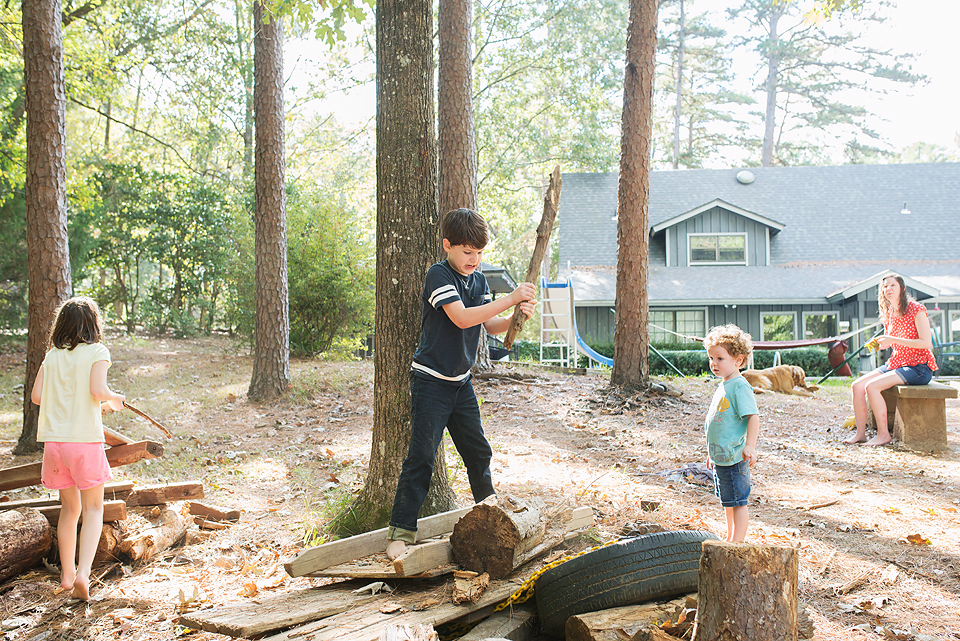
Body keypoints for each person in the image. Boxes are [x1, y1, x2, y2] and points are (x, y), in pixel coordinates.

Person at [385, 208, 537, 560]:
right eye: (467, 251)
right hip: (431, 381)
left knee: (478, 452)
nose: (474, 259)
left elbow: (487, 325)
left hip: (461, 383)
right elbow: (462, 317)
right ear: (447, 246)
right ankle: (401, 532)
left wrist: (516, 316)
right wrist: (511, 298)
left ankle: (492, 519)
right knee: (421, 456)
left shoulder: (479, 280)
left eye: (479, 252)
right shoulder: (438, 276)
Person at [30, 297, 125, 601]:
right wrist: (114, 398)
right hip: (84, 442)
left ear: (62, 325)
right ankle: (84, 573)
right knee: (94, 508)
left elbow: (36, 396)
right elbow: (97, 390)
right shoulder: (98, 352)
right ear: (93, 324)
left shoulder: (52, 356)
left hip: (55, 445)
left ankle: (66, 576)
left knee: (69, 510)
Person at [844, 274, 937, 446]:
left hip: (918, 367)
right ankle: (860, 433)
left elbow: (926, 343)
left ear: (903, 288)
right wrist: (883, 343)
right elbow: (892, 341)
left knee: (872, 387)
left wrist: (892, 340)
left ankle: (884, 435)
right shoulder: (889, 312)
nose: (888, 289)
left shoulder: (917, 310)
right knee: (857, 386)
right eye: (885, 286)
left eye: (893, 285)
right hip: (897, 362)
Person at [703, 324, 759, 543]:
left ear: (738, 360)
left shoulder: (739, 386)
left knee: (739, 502)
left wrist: (750, 446)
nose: (714, 364)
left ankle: (738, 542)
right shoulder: (724, 384)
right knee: (728, 501)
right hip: (721, 457)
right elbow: (720, 425)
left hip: (735, 458)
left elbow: (752, 417)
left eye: (720, 358)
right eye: (711, 358)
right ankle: (729, 538)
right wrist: (712, 453)